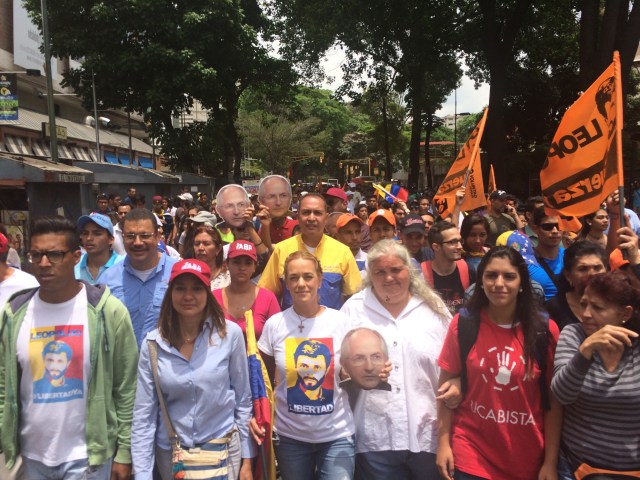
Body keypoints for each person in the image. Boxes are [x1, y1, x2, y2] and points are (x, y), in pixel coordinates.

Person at [0, 216, 138, 479]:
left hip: (88, 457)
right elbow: (3, 383)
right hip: (31, 457)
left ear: (76, 256)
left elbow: (126, 388)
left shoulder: (107, 311)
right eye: (36, 254)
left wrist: (124, 453)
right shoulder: (15, 313)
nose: (43, 263)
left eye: (54, 255)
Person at [436, 246, 561, 480]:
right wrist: (443, 444)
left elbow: (552, 403)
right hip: (471, 453)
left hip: (527, 457)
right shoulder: (462, 324)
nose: (499, 283)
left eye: (509, 276)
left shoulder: (545, 331)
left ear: (522, 283)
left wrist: (550, 462)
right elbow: (444, 390)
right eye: (491, 275)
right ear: (481, 280)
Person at [132, 259, 255, 480]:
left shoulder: (230, 335)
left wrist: (247, 458)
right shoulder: (153, 344)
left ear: (208, 292)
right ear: (170, 293)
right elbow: (144, 415)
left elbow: (242, 399)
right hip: (172, 458)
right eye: (180, 289)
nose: (188, 296)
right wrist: (142, 474)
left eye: (197, 288)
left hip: (223, 451)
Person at [340, 240, 451, 479]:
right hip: (374, 438)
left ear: (408, 271)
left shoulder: (434, 310)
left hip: (428, 436)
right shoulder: (354, 309)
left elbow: (452, 367)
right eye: (380, 272)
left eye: (395, 270)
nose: (389, 278)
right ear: (370, 274)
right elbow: (339, 368)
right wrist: (357, 373)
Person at [256, 251, 356, 480]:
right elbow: (264, 378)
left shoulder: (342, 322)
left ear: (320, 280)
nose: (301, 284)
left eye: (308, 277)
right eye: (293, 278)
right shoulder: (275, 325)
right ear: (286, 283)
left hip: (337, 436)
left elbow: (355, 372)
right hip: (290, 439)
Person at [551, 272, 640, 478]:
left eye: (597, 308)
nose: (586, 314)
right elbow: (561, 395)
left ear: (625, 314)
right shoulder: (573, 335)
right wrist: (585, 352)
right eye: (584, 305)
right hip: (578, 467)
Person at [258, 193, 361, 310]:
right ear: (298, 216)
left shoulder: (342, 252)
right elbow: (267, 293)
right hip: (291, 326)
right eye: (306, 212)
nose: (311, 218)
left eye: (317, 213)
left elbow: (354, 297)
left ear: (326, 218)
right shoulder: (281, 250)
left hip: (331, 327)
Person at [103, 208, 179, 348]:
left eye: (145, 235)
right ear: (122, 238)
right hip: (125, 366)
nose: (137, 242)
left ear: (157, 236)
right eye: (130, 236)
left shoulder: (178, 273)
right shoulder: (108, 279)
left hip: (168, 364)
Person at [213, 240, 280, 340]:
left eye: (248, 263)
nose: (242, 267)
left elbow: (278, 336)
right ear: (227, 264)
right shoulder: (213, 297)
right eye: (236, 262)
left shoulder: (268, 298)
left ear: (254, 267)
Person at [545, 242, 606, 331]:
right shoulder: (553, 308)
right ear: (568, 275)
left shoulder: (617, 301)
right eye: (583, 269)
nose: (592, 274)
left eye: (597, 268)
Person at [422, 221, 475, 315]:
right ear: (436, 247)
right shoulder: (421, 274)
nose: (460, 246)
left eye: (460, 241)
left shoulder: (468, 269)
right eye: (453, 242)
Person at [75, 213, 125, 285]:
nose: (89, 238)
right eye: (85, 233)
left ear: (111, 239)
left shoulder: (124, 266)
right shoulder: (74, 266)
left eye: (97, 233)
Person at [529, 206, 565, 300]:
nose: (555, 231)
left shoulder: (572, 258)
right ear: (535, 229)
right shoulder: (525, 262)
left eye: (559, 226)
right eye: (547, 227)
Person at [257, 174, 299, 249]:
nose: (278, 203)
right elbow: (264, 255)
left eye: (283, 195)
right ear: (261, 200)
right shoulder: (261, 229)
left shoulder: (299, 226)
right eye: (272, 197)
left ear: (290, 198)